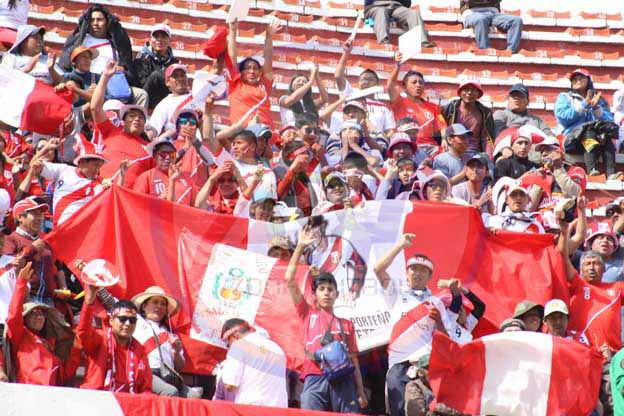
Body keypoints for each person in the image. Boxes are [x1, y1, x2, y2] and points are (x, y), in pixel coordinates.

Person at [285, 226, 368, 412]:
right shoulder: (307, 313)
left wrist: (361, 391)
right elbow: (289, 279)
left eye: (330, 290)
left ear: (337, 294)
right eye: (321, 289)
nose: (326, 293)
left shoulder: (347, 324)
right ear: (314, 294)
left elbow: (354, 361)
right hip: (314, 377)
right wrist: (299, 247)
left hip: (344, 380)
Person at [5, 262, 80, 385]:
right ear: (25, 319)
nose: (39, 317)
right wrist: (21, 283)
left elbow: (65, 374)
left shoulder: (51, 344)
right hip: (28, 394)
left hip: (50, 397)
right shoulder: (21, 337)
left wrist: (76, 350)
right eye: (33, 313)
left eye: (41, 314)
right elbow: (13, 317)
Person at [59, 4, 147, 107]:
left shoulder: (116, 43)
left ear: (107, 22)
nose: (95, 23)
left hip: (111, 84)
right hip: (86, 82)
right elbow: (67, 65)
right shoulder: (80, 41)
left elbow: (127, 67)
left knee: (141, 95)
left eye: (99, 20)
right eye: (92, 20)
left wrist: (122, 69)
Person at [77, 284, 152, 393]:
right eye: (122, 319)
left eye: (132, 320)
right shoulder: (100, 339)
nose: (127, 324)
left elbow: (146, 388)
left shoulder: (140, 350)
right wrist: (89, 302)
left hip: (127, 404)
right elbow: (83, 334)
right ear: (111, 320)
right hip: (95, 399)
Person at [129, 285, 201, 398]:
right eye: (155, 302)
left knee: (193, 396)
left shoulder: (171, 334)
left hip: (170, 375)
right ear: (144, 306)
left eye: (163, 304)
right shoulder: (136, 321)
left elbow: (179, 367)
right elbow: (112, 303)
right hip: (148, 372)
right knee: (170, 392)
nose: (159, 306)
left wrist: (176, 352)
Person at [91, 61, 152, 188]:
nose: (137, 119)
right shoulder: (111, 132)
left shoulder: (150, 149)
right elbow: (95, 108)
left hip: (128, 199)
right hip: (101, 189)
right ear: (122, 121)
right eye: (132, 116)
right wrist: (105, 77)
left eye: (141, 117)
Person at [3, 197, 69, 307]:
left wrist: (63, 287)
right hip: (25, 299)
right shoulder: (10, 239)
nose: (40, 218)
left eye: (41, 214)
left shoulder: (46, 241)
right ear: (20, 217)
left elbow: (58, 266)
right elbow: (8, 267)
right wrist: (32, 249)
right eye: (35, 214)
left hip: (49, 300)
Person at [555, 68, 617, 177]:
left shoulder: (599, 99)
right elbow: (563, 117)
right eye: (574, 79)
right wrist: (584, 104)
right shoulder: (565, 97)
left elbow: (609, 121)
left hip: (595, 139)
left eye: (581, 78)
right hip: (571, 139)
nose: (577, 80)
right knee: (588, 131)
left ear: (588, 80)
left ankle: (611, 174)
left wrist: (596, 108)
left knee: (605, 135)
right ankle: (592, 170)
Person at [220, 318, 288, 407]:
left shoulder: (239, 345)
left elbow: (230, 385)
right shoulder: (277, 348)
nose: (228, 347)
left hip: (252, 408)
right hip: (279, 409)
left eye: (228, 343)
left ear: (234, 336)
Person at [334, 41, 397, 138]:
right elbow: (338, 76)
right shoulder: (351, 96)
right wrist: (346, 53)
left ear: (377, 84)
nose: (365, 82)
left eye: (370, 79)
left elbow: (390, 131)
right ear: (358, 83)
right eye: (362, 79)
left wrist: (382, 142)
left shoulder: (384, 108)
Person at [227, 19, 281, 129]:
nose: (252, 71)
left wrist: (269, 36)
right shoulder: (235, 84)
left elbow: (268, 58)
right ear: (240, 72)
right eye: (248, 68)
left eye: (255, 68)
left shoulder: (264, 85)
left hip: (265, 136)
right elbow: (231, 57)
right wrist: (232, 31)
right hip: (242, 135)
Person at [387, 67, 446, 157]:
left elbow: (443, 126)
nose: (418, 85)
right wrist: (398, 66)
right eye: (414, 82)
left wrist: (445, 139)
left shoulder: (433, 107)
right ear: (404, 87)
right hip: (407, 145)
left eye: (421, 83)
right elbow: (391, 84)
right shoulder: (399, 101)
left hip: (430, 147)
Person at [133, 137, 197, 206]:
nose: (167, 157)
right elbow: (136, 204)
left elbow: (196, 206)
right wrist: (159, 199)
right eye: (163, 154)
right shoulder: (146, 176)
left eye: (172, 154)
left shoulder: (187, 178)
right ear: (155, 156)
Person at [131, 24, 180, 110]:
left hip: (166, 97)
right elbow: (141, 84)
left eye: (164, 37)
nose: (159, 40)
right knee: (156, 75)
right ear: (150, 40)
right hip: (146, 97)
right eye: (156, 37)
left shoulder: (174, 62)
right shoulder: (142, 58)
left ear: (169, 41)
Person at [443, 80, 495, 156]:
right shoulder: (451, 108)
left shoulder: (485, 112)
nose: (470, 92)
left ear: (479, 94)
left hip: (474, 152)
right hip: (453, 150)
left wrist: (488, 158)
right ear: (460, 92)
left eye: (474, 90)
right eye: (466, 89)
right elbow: (443, 129)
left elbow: (486, 139)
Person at [146, 64, 193, 138]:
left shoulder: (197, 95)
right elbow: (153, 128)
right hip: (177, 144)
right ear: (167, 82)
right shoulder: (165, 104)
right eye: (175, 76)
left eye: (182, 75)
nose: (180, 79)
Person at [364, 0, 434, 47]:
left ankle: (422, 41)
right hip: (376, 5)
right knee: (381, 11)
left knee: (413, 13)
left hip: (396, 6)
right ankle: (384, 41)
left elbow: (407, 3)